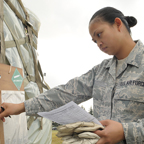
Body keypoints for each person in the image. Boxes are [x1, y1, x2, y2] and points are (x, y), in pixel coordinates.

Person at [0, 6, 144, 144]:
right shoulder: (101, 71)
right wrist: (21, 107)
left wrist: (126, 131)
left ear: (118, 24)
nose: (98, 44)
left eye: (99, 34)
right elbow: (64, 93)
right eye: (95, 41)